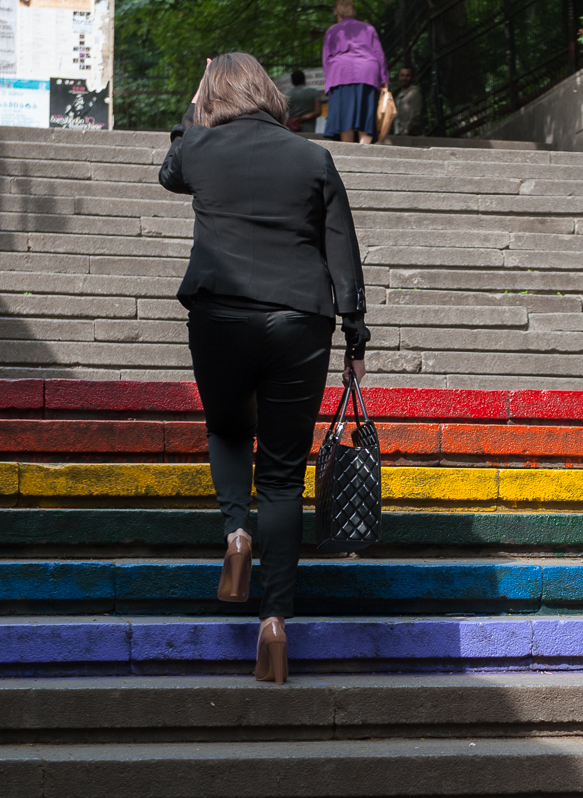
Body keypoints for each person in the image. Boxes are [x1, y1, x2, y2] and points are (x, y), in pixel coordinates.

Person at [158, 53, 371, 685]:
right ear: (269, 92)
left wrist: (195, 113)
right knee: (281, 475)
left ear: (214, 95)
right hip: (300, 318)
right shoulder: (312, 158)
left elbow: (169, 172)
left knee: (227, 429)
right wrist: (355, 332)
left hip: (221, 312)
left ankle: (235, 534)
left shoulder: (199, 147)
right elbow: (343, 249)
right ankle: (275, 623)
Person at [322, 0, 387, 144]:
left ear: (337, 13)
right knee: (366, 114)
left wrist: (329, 82)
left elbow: (326, 58)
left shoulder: (333, 30)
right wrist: (384, 80)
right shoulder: (368, 29)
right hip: (368, 72)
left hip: (341, 74)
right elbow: (379, 54)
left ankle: (349, 148)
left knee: (345, 116)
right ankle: (365, 149)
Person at [393, 67, 423, 136]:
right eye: (402, 75)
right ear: (399, 78)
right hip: (397, 132)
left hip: (408, 133)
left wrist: (407, 129)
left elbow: (416, 112)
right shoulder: (398, 95)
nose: (404, 78)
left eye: (407, 76)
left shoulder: (414, 92)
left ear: (412, 78)